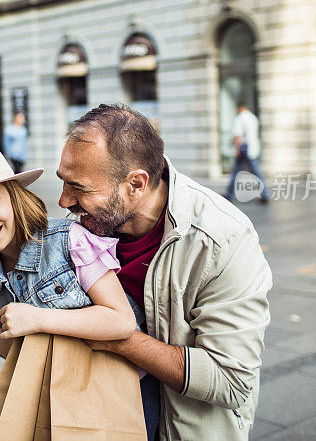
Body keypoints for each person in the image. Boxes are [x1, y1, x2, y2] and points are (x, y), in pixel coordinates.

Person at [56, 104, 272, 440]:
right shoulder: (83, 232)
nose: (63, 201)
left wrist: (118, 337)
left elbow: (231, 381)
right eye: (63, 183)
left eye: (79, 188)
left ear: (136, 185)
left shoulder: (221, 240)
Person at [0, 134, 136, 359]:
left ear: (15, 196)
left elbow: (122, 321)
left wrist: (38, 319)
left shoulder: (70, 241)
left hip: (106, 385)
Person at [224, 100, 270, 203]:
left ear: (239, 108)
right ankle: (265, 194)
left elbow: (238, 136)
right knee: (257, 172)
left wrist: (236, 150)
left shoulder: (240, 118)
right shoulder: (253, 117)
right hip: (254, 149)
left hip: (243, 150)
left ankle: (229, 194)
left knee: (235, 173)